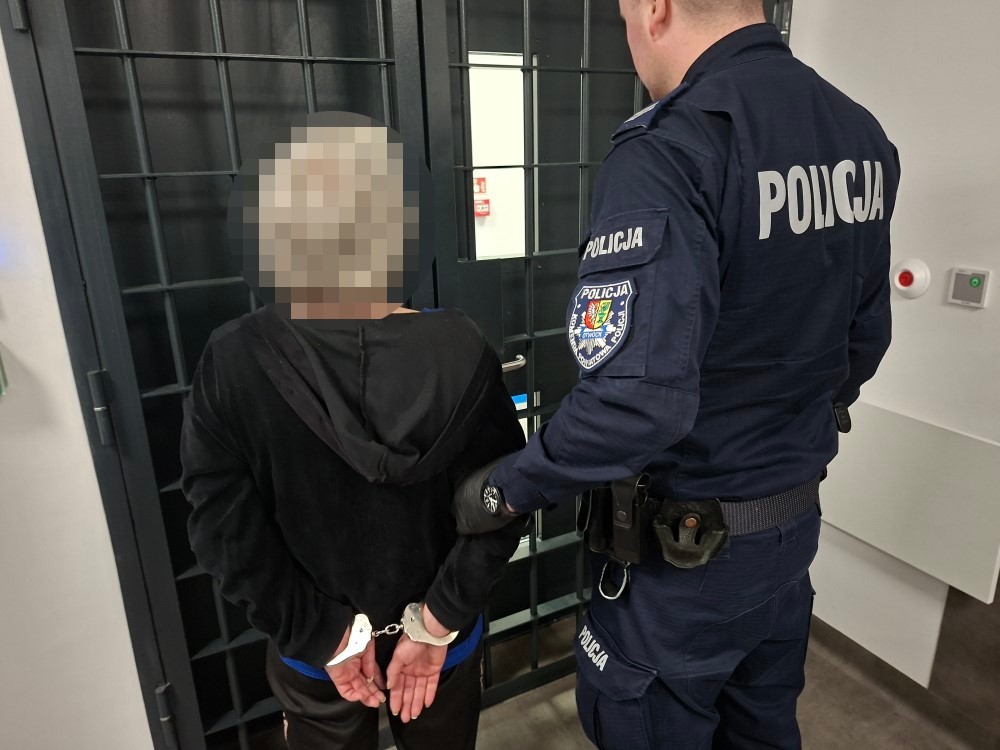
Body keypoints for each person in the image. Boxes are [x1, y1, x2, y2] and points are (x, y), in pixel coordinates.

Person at [454, 1, 900, 748]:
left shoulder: (673, 145)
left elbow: (635, 406)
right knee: (762, 728)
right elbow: (865, 344)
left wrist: (504, 489)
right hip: (788, 538)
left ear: (654, 8)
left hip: (684, 564)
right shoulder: (859, 135)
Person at [180, 112, 527, 750]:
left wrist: (323, 634)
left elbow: (222, 532)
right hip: (438, 642)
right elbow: (504, 499)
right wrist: (435, 621)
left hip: (319, 655)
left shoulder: (233, 360)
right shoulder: (461, 347)